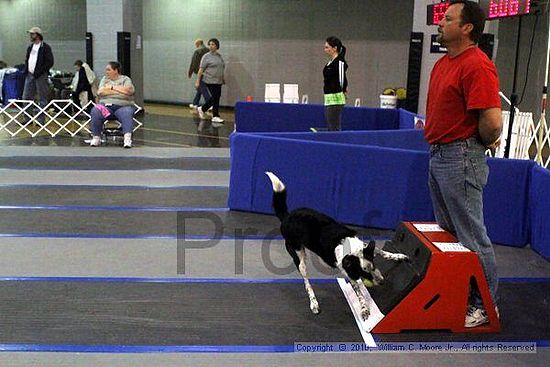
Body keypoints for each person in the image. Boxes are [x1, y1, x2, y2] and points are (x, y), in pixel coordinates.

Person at [425, 0, 503, 328]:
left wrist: (477, 146)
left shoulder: (477, 65)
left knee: (472, 236)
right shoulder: (443, 64)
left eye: (448, 19)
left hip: (461, 157)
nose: (440, 23)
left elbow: (493, 123)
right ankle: (461, 294)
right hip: (439, 156)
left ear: (467, 28)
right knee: (450, 234)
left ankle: (487, 305)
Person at [89, 61, 136, 148]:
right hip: (106, 106)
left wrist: (111, 88)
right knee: (96, 110)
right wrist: (119, 91)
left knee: (127, 113)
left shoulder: (125, 79)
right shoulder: (104, 79)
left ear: (116, 70)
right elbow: (100, 92)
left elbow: (129, 91)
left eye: (108, 70)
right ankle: (96, 137)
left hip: (123, 106)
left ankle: (127, 139)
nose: (106, 72)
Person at [22, 26, 54, 124]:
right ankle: (27, 119)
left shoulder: (45, 47)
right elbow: (27, 60)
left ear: (38, 35)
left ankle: (41, 120)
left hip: (41, 76)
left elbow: (50, 62)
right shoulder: (30, 47)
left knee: (42, 98)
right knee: (26, 97)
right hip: (30, 75)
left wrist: (40, 72)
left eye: (32, 34)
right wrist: (27, 70)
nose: (31, 36)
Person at [196, 38, 225, 125]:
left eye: (213, 44)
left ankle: (202, 109)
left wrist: (222, 78)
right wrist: (197, 81)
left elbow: (221, 68)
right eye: (210, 44)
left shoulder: (219, 56)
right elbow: (201, 70)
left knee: (216, 98)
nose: (211, 46)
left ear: (217, 46)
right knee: (215, 97)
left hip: (218, 81)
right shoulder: (206, 56)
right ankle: (215, 116)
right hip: (209, 80)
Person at [323, 36, 348, 131]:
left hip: (336, 98)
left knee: (334, 126)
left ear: (335, 48)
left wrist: (343, 90)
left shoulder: (339, 62)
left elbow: (342, 79)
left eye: (327, 47)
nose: (325, 49)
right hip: (328, 97)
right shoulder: (330, 62)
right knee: (330, 125)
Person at [188, 39, 209, 109]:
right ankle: (195, 103)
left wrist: (190, 72)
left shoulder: (197, 51)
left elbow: (194, 62)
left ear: (199, 43)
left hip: (200, 72)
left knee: (203, 88)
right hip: (208, 72)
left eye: (196, 44)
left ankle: (209, 104)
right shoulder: (208, 51)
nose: (196, 46)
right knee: (200, 88)